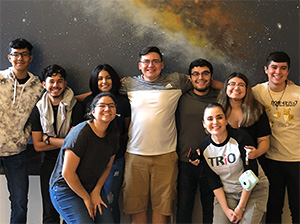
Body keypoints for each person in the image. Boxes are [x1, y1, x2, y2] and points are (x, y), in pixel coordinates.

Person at [120, 46, 192, 223]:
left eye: (155, 61)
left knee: (163, 208)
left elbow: (202, 80)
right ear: (139, 65)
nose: (150, 65)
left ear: (162, 65)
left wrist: (232, 87)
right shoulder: (129, 84)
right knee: (136, 209)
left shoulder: (176, 81)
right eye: (146, 62)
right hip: (135, 156)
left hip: (166, 156)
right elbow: (100, 88)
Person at [49, 92, 119, 223]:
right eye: (102, 105)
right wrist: (86, 198)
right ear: (93, 111)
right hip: (65, 188)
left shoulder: (113, 134)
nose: (107, 109)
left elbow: (107, 167)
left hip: (91, 187)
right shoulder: (81, 133)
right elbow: (67, 173)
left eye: (111, 106)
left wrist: (96, 191)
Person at [196, 103, 269, 224]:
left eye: (219, 117)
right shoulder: (204, 148)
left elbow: (251, 173)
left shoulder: (241, 138)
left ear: (225, 120)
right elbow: (214, 182)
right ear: (204, 123)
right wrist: (226, 210)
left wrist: (240, 208)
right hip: (227, 192)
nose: (215, 122)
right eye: (210, 119)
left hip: (253, 189)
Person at [30, 64, 85, 223]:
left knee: (72, 212)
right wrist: (61, 141)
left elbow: (73, 143)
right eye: (51, 81)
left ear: (65, 83)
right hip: (49, 164)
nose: (56, 85)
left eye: (60, 81)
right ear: (44, 84)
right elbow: (37, 145)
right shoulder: (38, 109)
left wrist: (48, 139)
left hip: (74, 164)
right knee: (49, 213)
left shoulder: (76, 107)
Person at [252, 52, 300, 224]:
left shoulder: (298, 93)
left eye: (283, 68)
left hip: (297, 160)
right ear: (266, 69)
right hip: (271, 160)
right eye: (274, 67)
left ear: (288, 72)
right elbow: (234, 90)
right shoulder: (257, 91)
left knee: (298, 210)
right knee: (273, 209)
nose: (278, 72)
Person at [0, 38, 44, 223]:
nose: (20, 58)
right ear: (10, 57)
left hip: (16, 152)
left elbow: (39, 117)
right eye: (16, 55)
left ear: (30, 58)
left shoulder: (37, 88)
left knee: (19, 201)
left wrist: (24, 137)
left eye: (24, 54)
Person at [82, 64, 131, 224]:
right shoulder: (88, 101)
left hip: (115, 160)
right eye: (100, 78)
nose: (104, 81)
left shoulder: (123, 102)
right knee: (89, 202)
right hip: (89, 163)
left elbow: (127, 128)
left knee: (109, 201)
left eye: (108, 77)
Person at [176, 58, 218, 223]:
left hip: (214, 162)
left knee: (211, 209)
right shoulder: (181, 98)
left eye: (205, 73)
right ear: (190, 77)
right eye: (196, 74)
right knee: (184, 208)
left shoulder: (221, 98)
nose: (201, 78)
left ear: (211, 76)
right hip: (186, 161)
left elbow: (239, 86)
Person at [218, 72, 271, 170]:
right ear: (226, 87)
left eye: (241, 85)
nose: (236, 88)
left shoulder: (257, 109)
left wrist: (257, 152)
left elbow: (264, 140)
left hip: (253, 166)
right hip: (225, 168)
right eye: (232, 84)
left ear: (247, 89)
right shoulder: (217, 110)